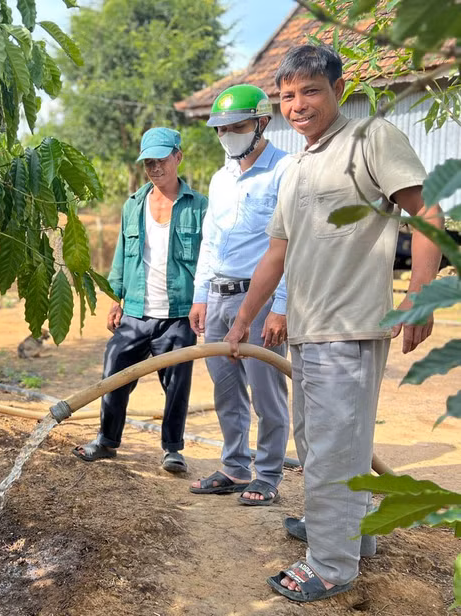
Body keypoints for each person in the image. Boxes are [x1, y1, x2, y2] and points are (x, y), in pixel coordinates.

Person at [223, 44, 443, 602]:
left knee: (333, 447)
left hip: (349, 326)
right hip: (308, 329)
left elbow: (427, 211)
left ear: (338, 90)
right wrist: (244, 319)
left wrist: (420, 295)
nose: (297, 105)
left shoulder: (371, 139)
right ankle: (349, 532)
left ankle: (329, 565)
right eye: (287, 96)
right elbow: (276, 253)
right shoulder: (297, 168)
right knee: (321, 443)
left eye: (310, 91)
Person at [73, 127, 207, 474]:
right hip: (135, 311)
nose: (155, 168)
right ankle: (107, 441)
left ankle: (173, 450)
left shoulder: (199, 206)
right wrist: (115, 298)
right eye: (149, 163)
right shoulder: (133, 205)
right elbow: (121, 255)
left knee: (177, 384)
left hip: (178, 314)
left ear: (178, 157)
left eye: (161, 160)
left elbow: (208, 259)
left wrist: (202, 300)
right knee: (114, 371)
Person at [187, 84, 291, 506]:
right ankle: (234, 466)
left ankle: (267, 475)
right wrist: (201, 294)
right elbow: (210, 241)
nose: (227, 135)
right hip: (219, 295)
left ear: (262, 123)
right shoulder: (221, 178)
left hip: (260, 299)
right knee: (226, 389)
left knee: (267, 394)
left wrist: (280, 307)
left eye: (237, 127)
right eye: (221, 129)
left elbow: (291, 247)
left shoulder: (285, 171)